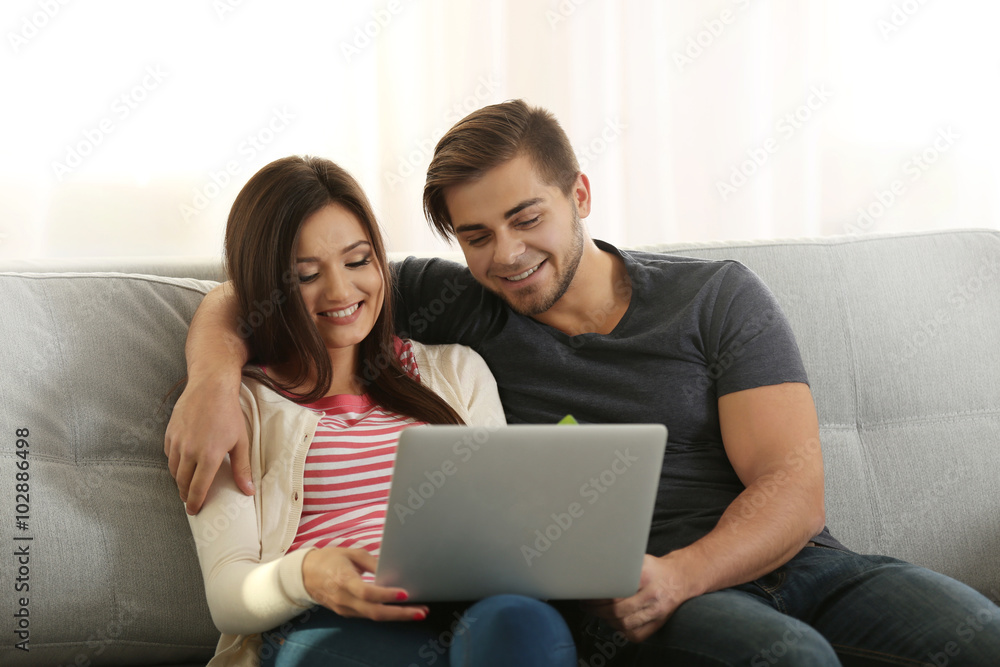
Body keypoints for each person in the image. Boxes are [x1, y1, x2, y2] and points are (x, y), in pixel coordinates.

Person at [168, 104, 1000, 665]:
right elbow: (272, 282)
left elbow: (795, 486)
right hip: (633, 592)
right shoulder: (462, 307)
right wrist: (211, 376)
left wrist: (681, 573)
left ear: (581, 195)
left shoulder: (715, 297)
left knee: (979, 635)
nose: (506, 254)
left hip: (786, 563)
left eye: (527, 217)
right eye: (477, 234)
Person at [181, 154, 577, 666]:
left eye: (357, 260)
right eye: (305, 275)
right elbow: (227, 595)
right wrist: (303, 575)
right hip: (329, 617)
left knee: (523, 626)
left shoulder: (457, 372)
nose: (342, 291)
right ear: (265, 288)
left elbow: (501, 524)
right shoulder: (234, 408)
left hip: (470, 602)